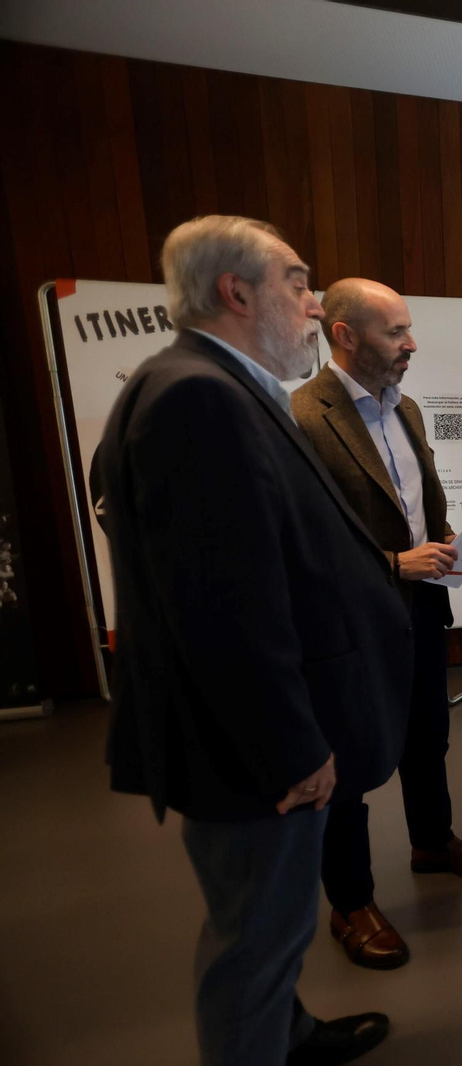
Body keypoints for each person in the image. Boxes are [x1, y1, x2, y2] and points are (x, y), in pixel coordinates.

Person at [90, 216, 406, 1065]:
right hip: (253, 749)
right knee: (255, 941)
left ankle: (290, 1035)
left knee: (272, 924)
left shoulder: (201, 383)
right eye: (298, 283)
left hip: (241, 735)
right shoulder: (198, 397)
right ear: (237, 292)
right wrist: (293, 749)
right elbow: (223, 609)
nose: (312, 304)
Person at [292, 278, 462, 970]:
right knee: (350, 761)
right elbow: (300, 542)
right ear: (345, 335)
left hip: (421, 607)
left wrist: (451, 549)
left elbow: (417, 504)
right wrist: (392, 563)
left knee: (427, 735)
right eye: (395, 333)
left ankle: (432, 840)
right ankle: (350, 904)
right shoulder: (301, 417)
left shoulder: (406, 408)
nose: (411, 344)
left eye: (410, 330)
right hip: (349, 624)